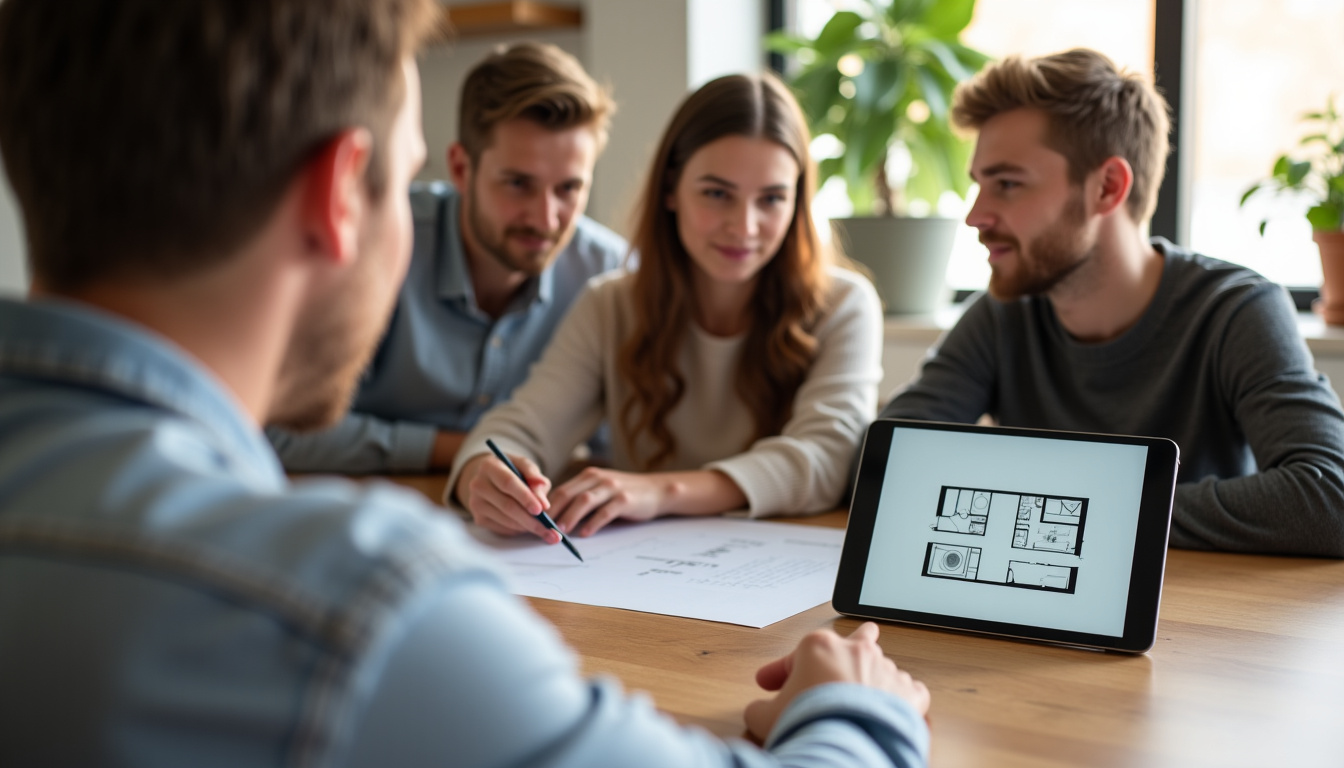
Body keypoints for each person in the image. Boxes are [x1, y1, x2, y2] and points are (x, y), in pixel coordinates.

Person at [0, 2, 932, 766]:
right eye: (405, 177)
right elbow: (510, 429)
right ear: (342, 193)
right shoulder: (362, 607)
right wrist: (859, 716)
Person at [878, 48, 1344, 557]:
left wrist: (1069, 514)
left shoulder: (1236, 311)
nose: (976, 216)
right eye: (979, 186)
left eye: (1007, 184)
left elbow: (1328, 498)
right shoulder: (1002, 314)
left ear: (1107, 188)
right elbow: (884, 465)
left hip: (1192, 619)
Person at [450, 73, 884, 541]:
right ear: (671, 190)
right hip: (641, 587)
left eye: (772, 199)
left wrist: (661, 491)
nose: (744, 226)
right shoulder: (611, 304)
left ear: (799, 201)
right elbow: (520, 427)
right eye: (717, 194)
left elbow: (826, 461)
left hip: (789, 580)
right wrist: (485, 474)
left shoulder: (844, 305)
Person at [266, 41, 627, 474]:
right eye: (517, 184)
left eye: (569, 189)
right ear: (460, 168)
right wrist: (469, 452)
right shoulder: (372, 243)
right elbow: (280, 430)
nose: (545, 217)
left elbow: (619, 452)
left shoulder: (610, 276)